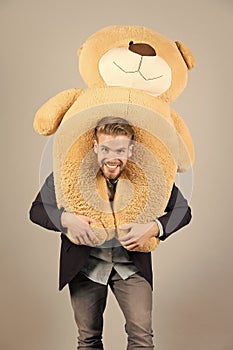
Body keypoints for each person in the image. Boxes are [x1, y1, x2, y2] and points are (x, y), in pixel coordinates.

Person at [29, 116, 192, 349]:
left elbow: (183, 211)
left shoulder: (148, 178)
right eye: (105, 149)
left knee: (142, 339)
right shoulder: (69, 175)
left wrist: (153, 227)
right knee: (88, 340)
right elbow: (36, 210)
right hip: (86, 268)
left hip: (132, 268)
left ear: (131, 150)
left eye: (120, 150)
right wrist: (66, 220)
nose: (112, 158)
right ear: (95, 146)